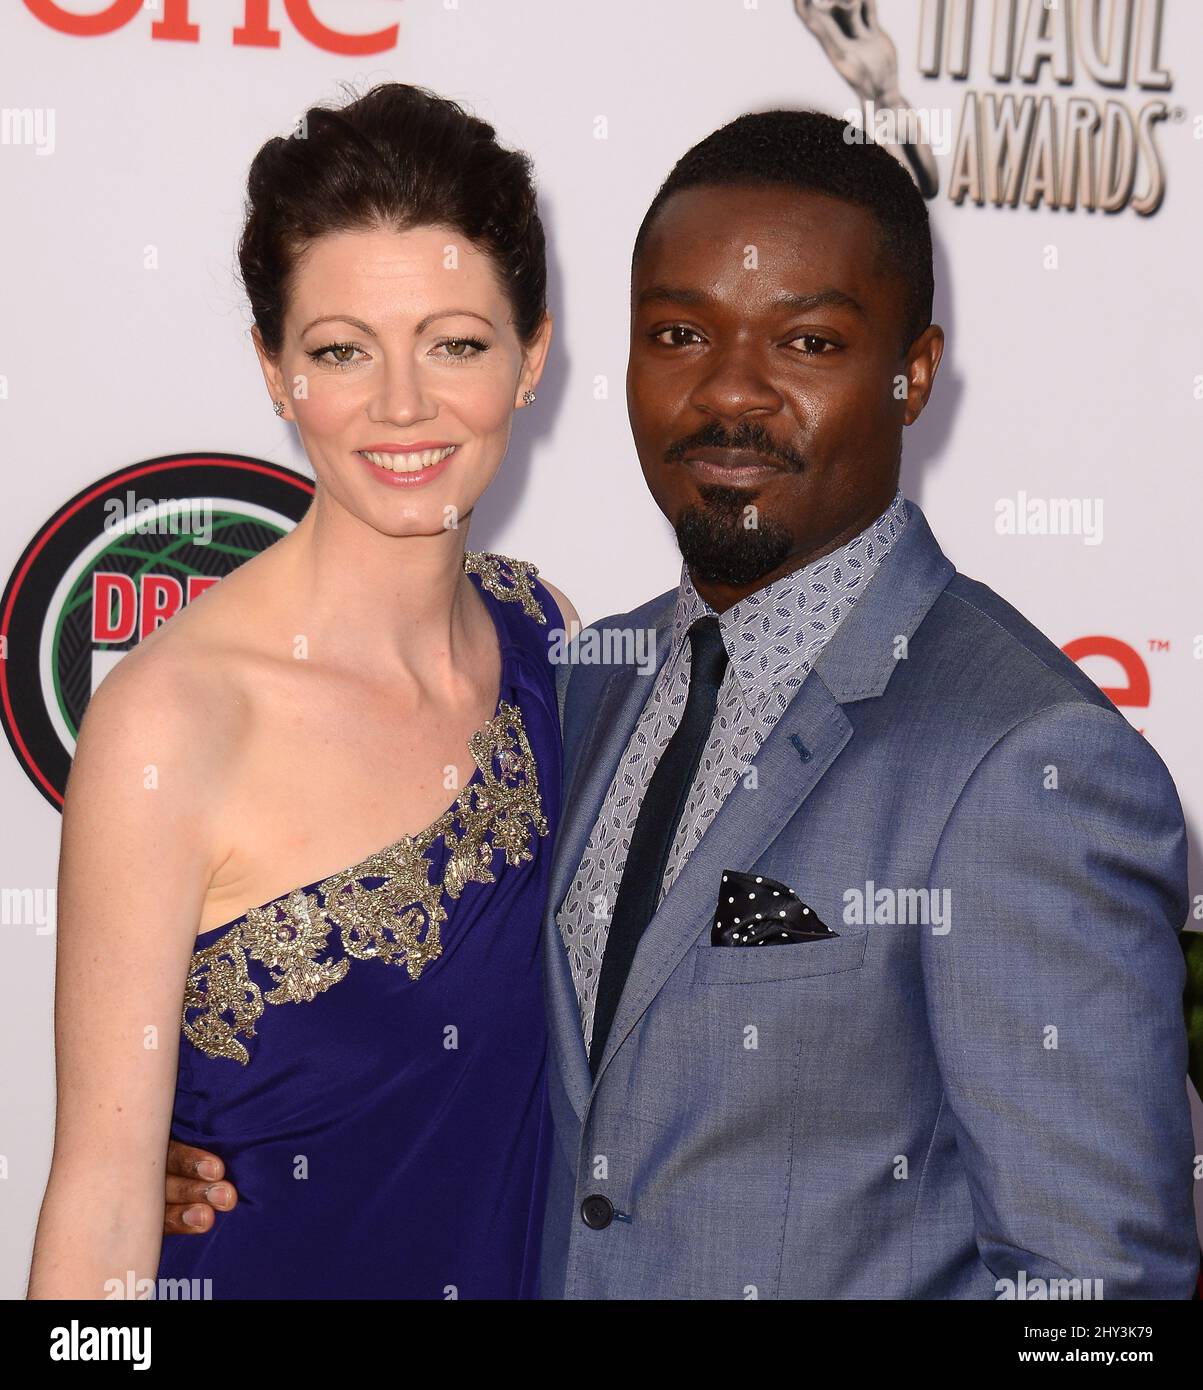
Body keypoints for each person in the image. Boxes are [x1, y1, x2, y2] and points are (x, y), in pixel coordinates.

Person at [160, 110, 1200, 1299]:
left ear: (910, 374)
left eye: (808, 343)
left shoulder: (1029, 757)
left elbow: (1102, 1294)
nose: (731, 393)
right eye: (680, 332)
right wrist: (216, 1141)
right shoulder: (575, 675)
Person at [27, 82, 578, 1300]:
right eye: (341, 350)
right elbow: (105, 1208)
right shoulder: (175, 724)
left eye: (457, 343)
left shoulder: (545, 639)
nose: (400, 405)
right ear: (276, 372)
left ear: (532, 358)